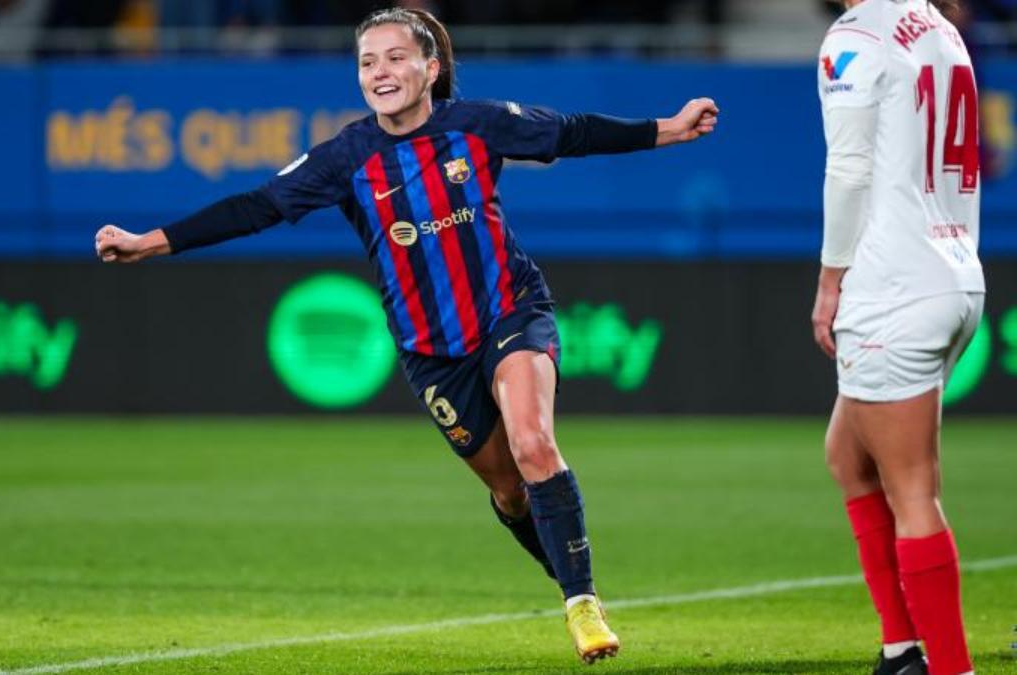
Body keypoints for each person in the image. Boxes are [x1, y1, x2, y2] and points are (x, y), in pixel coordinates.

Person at [96, 7, 717, 664]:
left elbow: (571, 131)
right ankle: (563, 572)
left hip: (510, 312)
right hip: (430, 351)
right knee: (508, 487)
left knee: (535, 443)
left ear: (430, 68)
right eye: (368, 61)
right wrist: (150, 242)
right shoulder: (346, 156)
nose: (381, 72)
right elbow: (257, 207)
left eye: (395, 57)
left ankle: (582, 601)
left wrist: (667, 130)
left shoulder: (477, 125)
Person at [812, 1, 985, 674]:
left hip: (894, 284)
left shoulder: (854, 34)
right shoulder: (940, 27)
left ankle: (949, 666)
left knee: (912, 489)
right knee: (848, 456)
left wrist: (832, 280)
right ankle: (900, 648)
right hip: (953, 273)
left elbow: (849, 167)